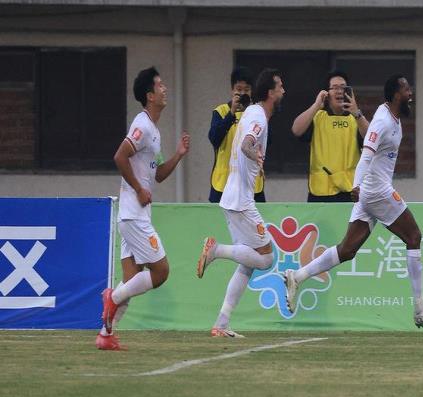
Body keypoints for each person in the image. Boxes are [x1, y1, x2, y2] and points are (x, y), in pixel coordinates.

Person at [285, 74, 423, 328]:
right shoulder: (383, 121)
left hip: (369, 192)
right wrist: (357, 185)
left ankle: (297, 276)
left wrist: (358, 114)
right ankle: (420, 309)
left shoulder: (391, 117)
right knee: (414, 237)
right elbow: (366, 156)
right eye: (406, 89)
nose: (410, 93)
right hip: (377, 190)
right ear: (396, 94)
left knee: (347, 250)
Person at [96, 66, 190, 350]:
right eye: (160, 85)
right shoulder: (143, 125)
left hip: (132, 216)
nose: (165, 89)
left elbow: (157, 174)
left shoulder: (154, 131)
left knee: (131, 282)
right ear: (149, 95)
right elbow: (120, 156)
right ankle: (111, 298)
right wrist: (138, 189)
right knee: (161, 272)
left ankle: (105, 335)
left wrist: (179, 155)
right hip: (134, 215)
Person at [197, 68, 285, 338]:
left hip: (233, 197)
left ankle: (221, 323)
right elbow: (247, 143)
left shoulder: (251, 112)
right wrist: (254, 154)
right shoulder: (258, 115)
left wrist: (254, 158)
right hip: (241, 201)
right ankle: (216, 250)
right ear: (270, 92)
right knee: (267, 258)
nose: (283, 91)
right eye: (280, 86)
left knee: (247, 263)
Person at [292, 70, 370, 202]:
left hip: (350, 190)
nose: (339, 91)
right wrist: (316, 105)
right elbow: (296, 130)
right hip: (321, 191)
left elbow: (371, 139)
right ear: (327, 93)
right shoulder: (317, 117)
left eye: (343, 87)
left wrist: (357, 113)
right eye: (334, 88)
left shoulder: (356, 119)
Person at [208, 66, 266, 203]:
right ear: (232, 90)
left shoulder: (257, 112)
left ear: (251, 92)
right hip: (223, 183)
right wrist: (231, 113)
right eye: (238, 90)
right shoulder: (221, 111)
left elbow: (267, 140)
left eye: (246, 90)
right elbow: (214, 139)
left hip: (251, 182)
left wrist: (250, 111)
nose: (242, 93)